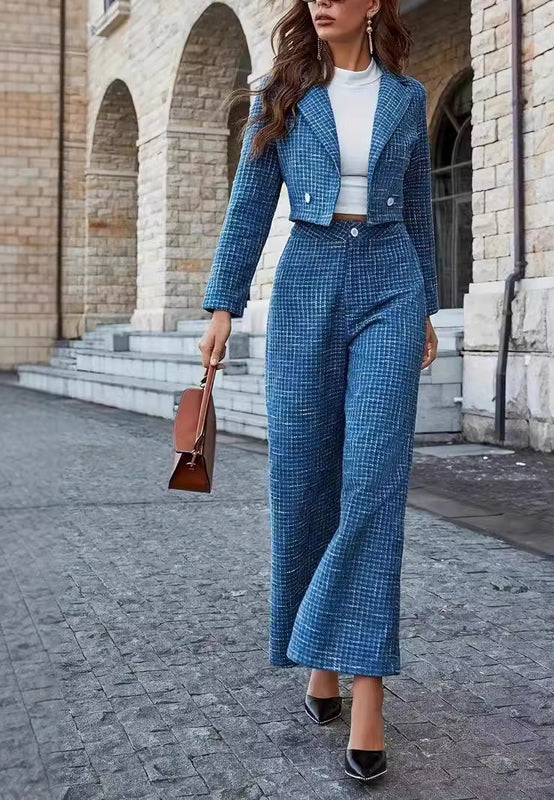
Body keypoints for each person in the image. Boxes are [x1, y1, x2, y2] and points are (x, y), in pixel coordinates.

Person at [198, 0, 439, 783]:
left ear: (374, 4)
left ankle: (366, 690)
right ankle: (320, 661)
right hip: (306, 285)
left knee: (372, 484)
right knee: (303, 482)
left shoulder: (406, 96)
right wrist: (222, 306)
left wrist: (428, 307)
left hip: (391, 287)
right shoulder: (284, 91)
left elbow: (423, 212)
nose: (322, 0)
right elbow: (248, 203)